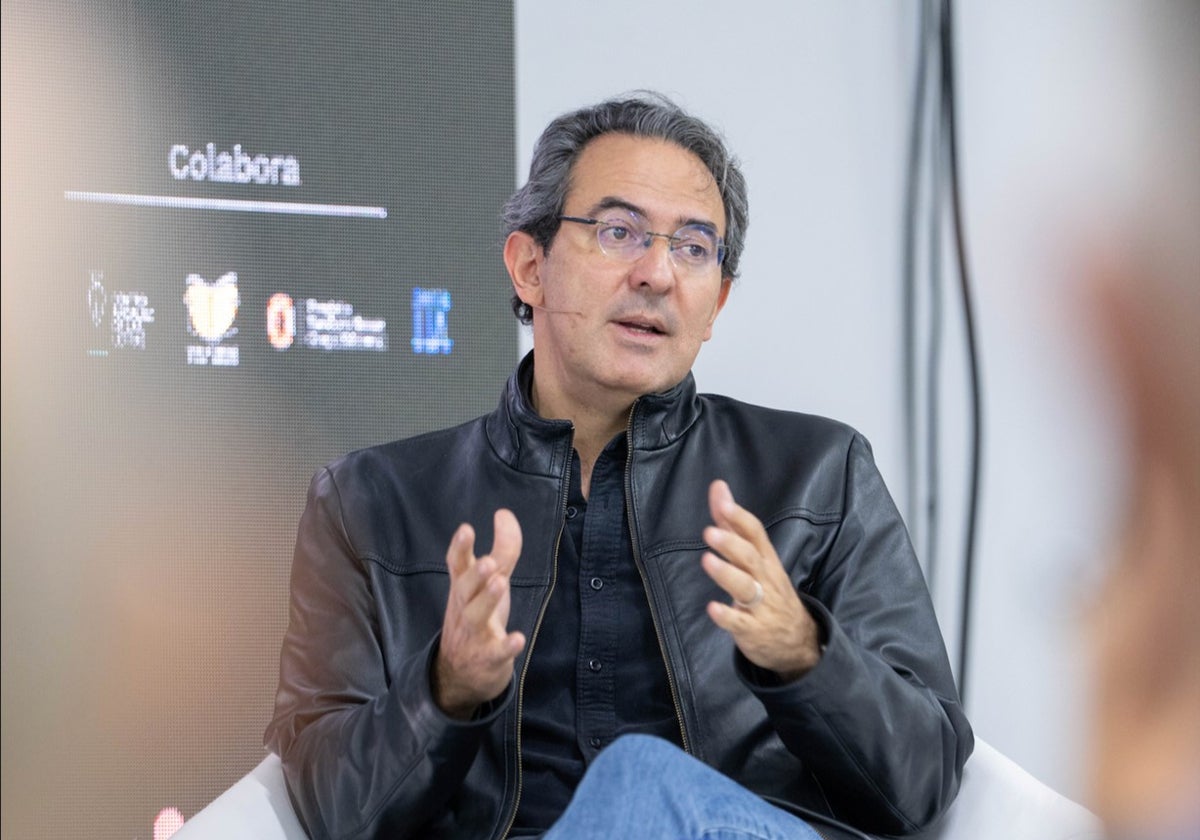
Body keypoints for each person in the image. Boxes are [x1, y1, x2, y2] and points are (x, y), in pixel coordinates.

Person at [265, 93, 972, 840]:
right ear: (529, 266)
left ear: (717, 303)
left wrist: (805, 654)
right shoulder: (370, 504)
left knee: (638, 781)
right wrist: (445, 689)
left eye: (694, 248)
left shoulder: (819, 477)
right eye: (619, 232)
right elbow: (329, 810)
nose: (658, 273)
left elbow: (924, 782)